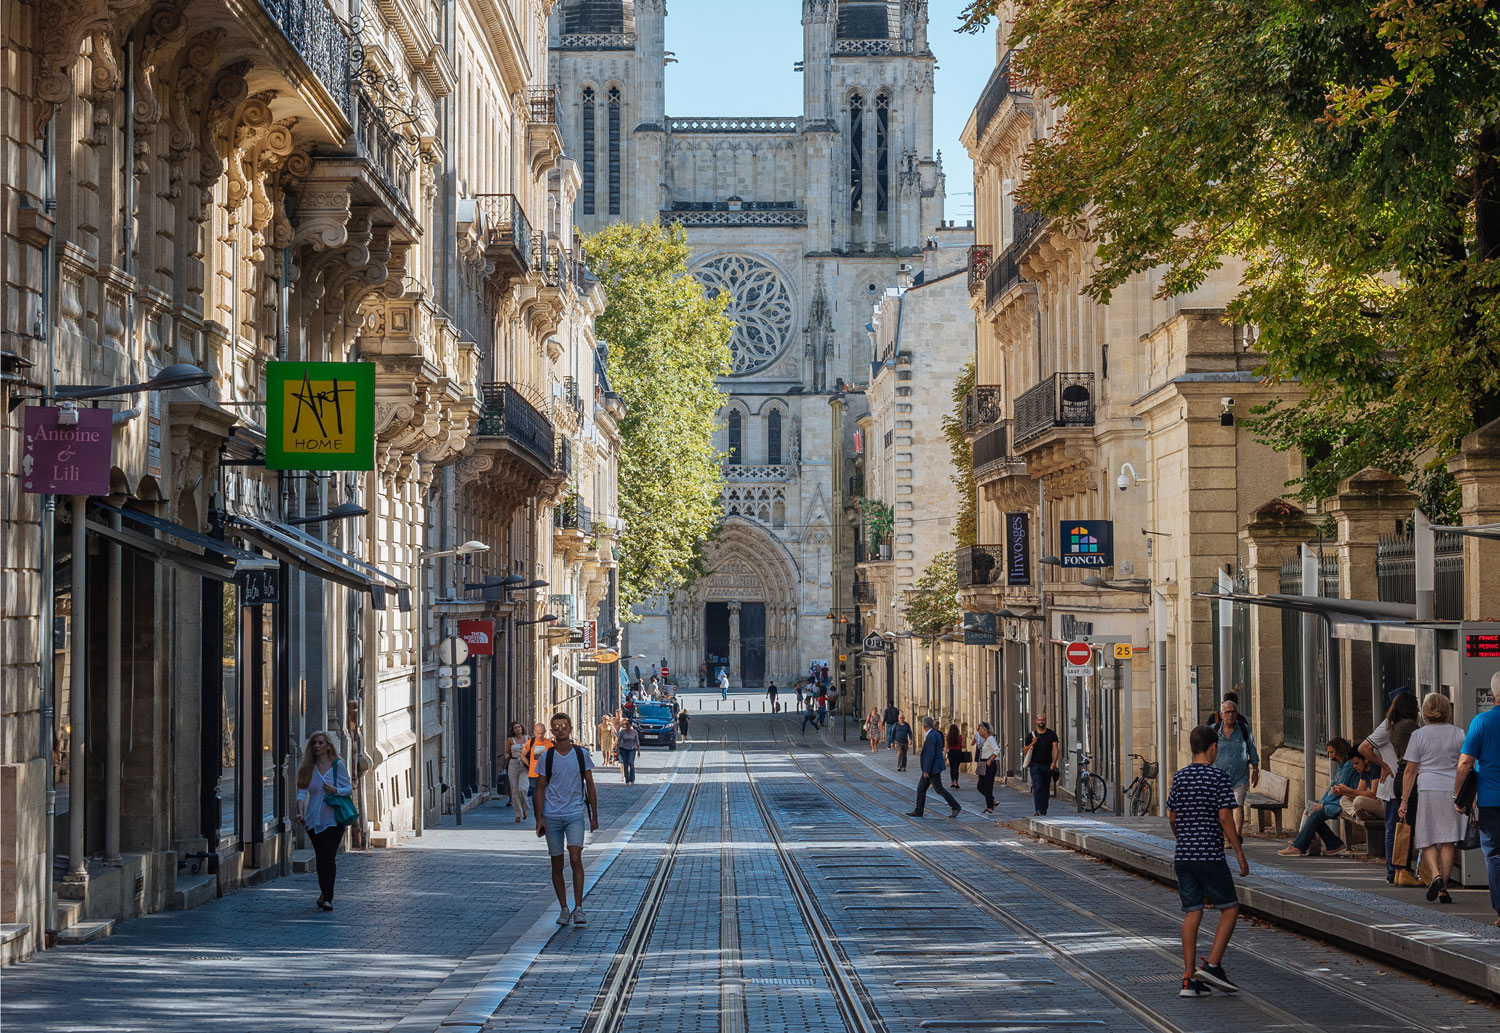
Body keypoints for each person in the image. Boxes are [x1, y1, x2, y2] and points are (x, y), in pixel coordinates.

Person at [1168, 724, 1249, 997]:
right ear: (1213, 747)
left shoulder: (1179, 778)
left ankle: (1189, 979)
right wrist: (1238, 852)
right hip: (1210, 855)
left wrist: (1184, 838)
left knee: (1193, 912)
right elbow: (1226, 817)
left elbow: (1172, 818)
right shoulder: (1218, 777)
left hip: (1184, 856)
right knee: (1230, 908)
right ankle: (1213, 965)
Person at [1400, 692, 1468, 903]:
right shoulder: (1459, 733)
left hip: (1428, 789)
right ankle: (1444, 889)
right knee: (1448, 840)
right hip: (1452, 789)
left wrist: (1404, 799)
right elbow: (1465, 764)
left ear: (1425, 711)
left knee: (1426, 837)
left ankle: (1435, 877)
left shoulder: (1418, 736)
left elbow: (1410, 770)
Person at [535, 713, 599, 926]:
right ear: (552, 732)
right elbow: (541, 788)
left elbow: (589, 784)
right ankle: (564, 908)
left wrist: (594, 815)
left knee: (575, 858)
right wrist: (539, 818)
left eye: (564, 726)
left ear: (570, 728)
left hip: (574, 814)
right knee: (557, 862)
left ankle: (579, 907)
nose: (560, 729)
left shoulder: (581, 755)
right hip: (551, 816)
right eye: (556, 727)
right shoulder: (547, 757)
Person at [1358, 689, 1421, 881]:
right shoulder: (1389, 726)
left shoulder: (1395, 725)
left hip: (1396, 782)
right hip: (1398, 781)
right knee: (1396, 828)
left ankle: (1397, 870)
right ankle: (1394, 870)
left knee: (1398, 828)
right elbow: (1364, 748)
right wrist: (1383, 764)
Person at [1455, 672, 1500, 925]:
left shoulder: (1481, 722)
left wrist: (1458, 797)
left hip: (1491, 801)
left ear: (1492, 695)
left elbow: (1465, 763)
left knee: (1494, 854)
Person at [294, 730, 353, 912]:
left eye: (320, 743)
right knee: (321, 858)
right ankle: (323, 892)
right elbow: (302, 792)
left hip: (334, 819)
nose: (317, 746)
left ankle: (328, 897)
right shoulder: (308, 768)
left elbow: (348, 789)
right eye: (314, 744)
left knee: (328, 856)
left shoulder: (338, 765)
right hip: (313, 820)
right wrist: (300, 812)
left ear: (328, 745)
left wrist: (335, 790)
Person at [1278, 737, 1360, 857]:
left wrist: (1324, 804)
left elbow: (1339, 788)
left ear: (1339, 751)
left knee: (1316, 815)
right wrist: (1322, 802)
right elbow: (1332, 786)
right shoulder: (1341, 765)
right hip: (1335, 799)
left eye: (1332, 752)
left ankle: (1298, 846)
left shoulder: (1348, 766)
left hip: (1343, 800)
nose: (1330, 755)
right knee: (1313, 812)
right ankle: (1334, 844)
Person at [1212, 698, 1260, 836]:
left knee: (1238, 805)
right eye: (1227, 712)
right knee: (1223, 808)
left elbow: (1252, 750)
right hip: (1219, 777)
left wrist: (1255, 770)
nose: (1230, 715)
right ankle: (1226, 836)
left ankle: (1237, 835)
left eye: (1233, 712)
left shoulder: (1244, 729)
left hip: (1240, 776)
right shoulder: (1214, 732)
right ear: (1221, 715)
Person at [908, 717, 961, 818]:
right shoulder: (935, 734)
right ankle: (919, 811)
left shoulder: (931, 736)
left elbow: (930, 754)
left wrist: (926, 770)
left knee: (939, 789)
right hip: (933, 767)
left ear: (924, 726)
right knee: (921, 789)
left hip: (932, 769)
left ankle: (955, 806)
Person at [1024, 715, 1060, 816]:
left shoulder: (1051, 734)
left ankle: (1044, 809)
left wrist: (1054, 762)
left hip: (1047, 765)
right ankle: (1038, 809)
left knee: (1045, 788)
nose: (1041, 721)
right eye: (1040, 720)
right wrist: (1032, 743)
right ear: (1036, 721)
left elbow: (1055, 749)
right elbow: (1024, 751)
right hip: (1035, 765)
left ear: (1046, 721)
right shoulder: (1031, 735)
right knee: (1037, 786)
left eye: (1043, 720)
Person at [524, 722, 553, 812]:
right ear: (534, 732)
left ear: (545, 732)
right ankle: (538, 817)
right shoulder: (531, 742)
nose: (540, 735)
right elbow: (523, 755)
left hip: (546, 774)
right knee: (535, 796)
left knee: (546, 795)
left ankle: (544, 815)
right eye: (538, 733)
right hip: (533, 774)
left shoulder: (549, 744)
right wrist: (529, 765)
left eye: (542, 733)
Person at [505, 721, 531, 822]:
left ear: (522, 728)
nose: (517, 729)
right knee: (515, 791)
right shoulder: (510, 740)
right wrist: (506, 756)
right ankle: (518, 814)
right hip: (513, 765)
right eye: (515, 727)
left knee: (522, 789)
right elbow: (507, 752)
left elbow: (533, 750)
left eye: (519, 727)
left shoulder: (528, 738)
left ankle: (524, 809)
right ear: (513, 730)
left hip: (524, 766)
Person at [975, 721, 999, 813]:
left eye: (980, 729)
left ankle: (990, 807)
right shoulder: (986, 740)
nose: (979, 732)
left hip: (989, 764)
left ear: (985, 730)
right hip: (983, 764)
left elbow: (996, 750)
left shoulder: (991, 739)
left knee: (988, 786)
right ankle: (992, 800)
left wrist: (990, 760)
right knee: (980, 786)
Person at [616, 719, 640, 784]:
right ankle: (627, 780)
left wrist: (638, 751)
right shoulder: (622, 732)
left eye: (627, 724)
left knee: (631, 763)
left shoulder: (634, 732)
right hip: (624, 749)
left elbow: (637, 742)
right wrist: (617, 750)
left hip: (632, 749)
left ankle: (632, 779)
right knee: (625, 764)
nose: (626, 725)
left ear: (630, 724)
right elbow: (618, 741)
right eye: (625, 724)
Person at [946, 723, 964, 789]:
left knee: (952, 768)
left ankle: (952, 781)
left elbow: (947, 746)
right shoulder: (959, 737)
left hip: (951, 753)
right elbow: (962, 745)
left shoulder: (948, 737)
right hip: (958, 753)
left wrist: (944, 754)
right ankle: (956, 781)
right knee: (956, 768)